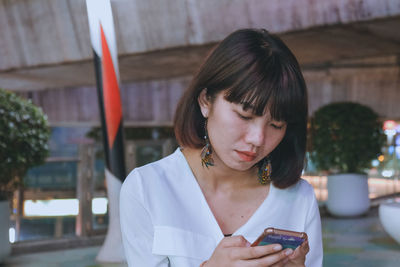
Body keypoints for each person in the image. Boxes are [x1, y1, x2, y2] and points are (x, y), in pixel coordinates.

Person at [120, 28, 323, 267]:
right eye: (244, 116)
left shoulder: (299, 199)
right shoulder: (147, 188)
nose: (258, 138)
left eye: (276, 124)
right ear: (206, 101)